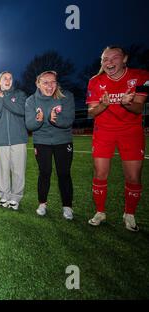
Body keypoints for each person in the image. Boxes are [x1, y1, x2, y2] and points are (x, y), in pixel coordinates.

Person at [86, 46, 149, 232]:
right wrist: (103, 105)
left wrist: (128, 103)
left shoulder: (141, 76)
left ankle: (129, 214)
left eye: (114, 58)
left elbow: (139, 108)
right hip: (103, 131)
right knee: (100, 173)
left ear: (125, 59)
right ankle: (100, 212)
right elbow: (91, 113)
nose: (109, 62)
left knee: (133, 176)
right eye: (105, 59)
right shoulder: (95, 81)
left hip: (131, 131)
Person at [25, 70, 75, 220]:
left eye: (53, 82)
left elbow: (69, 120)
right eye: (45, 82)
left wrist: (56, 120)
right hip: (42, 142)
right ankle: (42, 203)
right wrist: (39, 120)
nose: (50, 86)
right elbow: (30, 125)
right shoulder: (31, 100)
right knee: (44, 172)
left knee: (64, 174)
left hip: (63, 141)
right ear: (38, 84)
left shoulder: (66, 96)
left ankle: (67, 207)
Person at [0, 71, 28, 210]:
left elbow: (21, 110)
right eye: (5, 78)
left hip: (18, 139)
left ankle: (15, 198)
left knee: (18, 171)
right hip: (1, 140)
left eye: (10, 78)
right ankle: (4, 196)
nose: (8, 80)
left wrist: (4, 98)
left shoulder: (20, 94)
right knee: (2, 171)